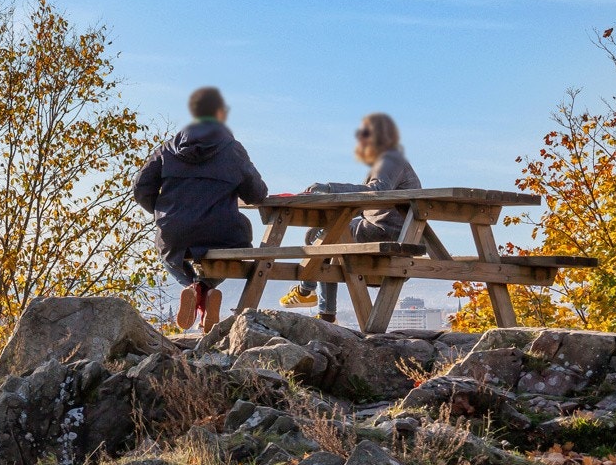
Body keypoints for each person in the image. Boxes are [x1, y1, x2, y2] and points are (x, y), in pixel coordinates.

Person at [134, 86, 270, 331]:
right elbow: (256, 194)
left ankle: (192, 287)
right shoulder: (232, 149)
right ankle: (206, 287)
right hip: (223, 230)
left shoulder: (167, 149)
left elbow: (140, 187)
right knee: (242, 246)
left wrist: (164, 212)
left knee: (165, 248)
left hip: (175, 230)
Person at [279, 111, 421, 322]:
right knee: (324, 235)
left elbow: (377, 190)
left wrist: (329, 188)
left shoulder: (390, 159)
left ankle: (308, 293)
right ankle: (315, 301)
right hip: (389, 231)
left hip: (386, 233)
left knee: (325, 235)